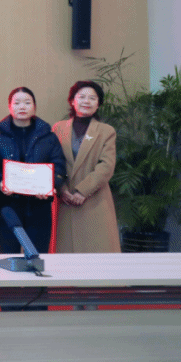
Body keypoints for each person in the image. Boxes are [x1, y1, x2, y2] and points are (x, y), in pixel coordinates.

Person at [0, 87, 66, 257]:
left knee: (39, 257)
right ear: (9, 106)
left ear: (34, 107)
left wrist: (50, 186)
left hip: (39, 206)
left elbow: (59, 165)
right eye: (17, 103)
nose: (22, 106)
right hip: (8, 207)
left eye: (27, 102)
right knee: (8, 257)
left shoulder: (48, 136)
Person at [52, 80, 119, 253]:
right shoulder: (58, 128)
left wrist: (83, 191)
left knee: (97, 254)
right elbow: (52, 162)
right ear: (72, 101)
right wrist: (62, 189)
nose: (86, 101)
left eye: (92, 98)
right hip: (65, 200)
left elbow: (106, 166)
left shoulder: (106, 131)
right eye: (81, 97)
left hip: (94, 200)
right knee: (66, 256)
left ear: (98, 103)